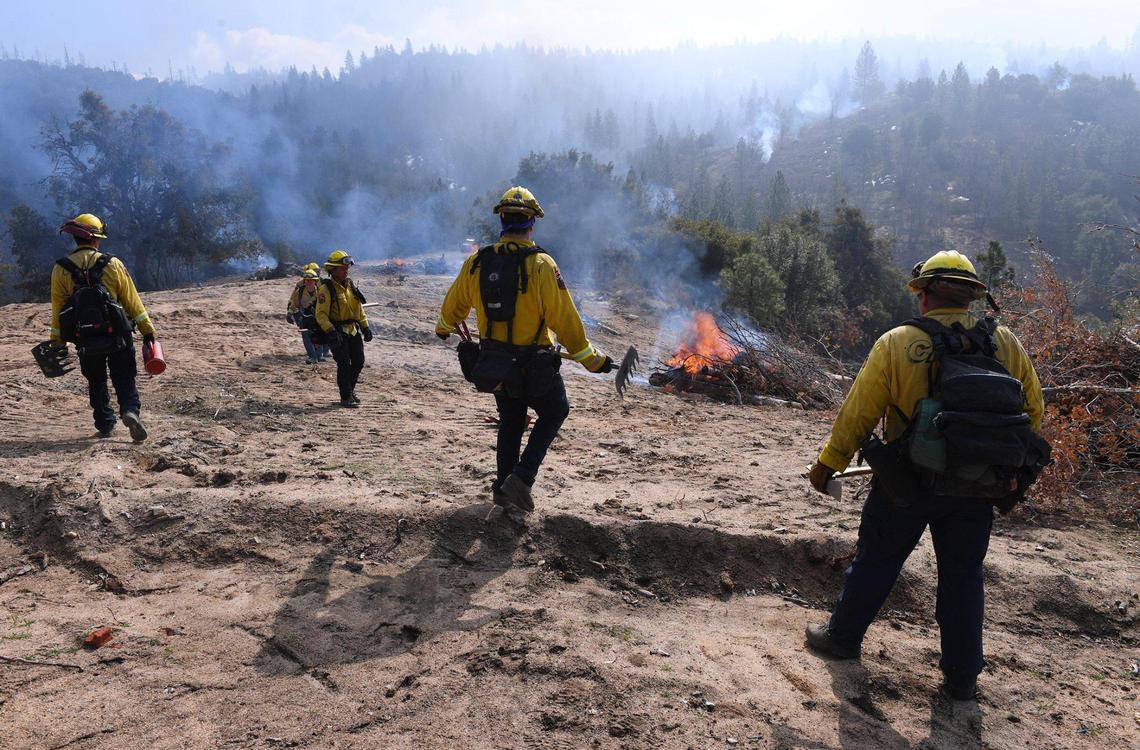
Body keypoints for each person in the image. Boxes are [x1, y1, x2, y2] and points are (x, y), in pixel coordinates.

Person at [804, 250, 1045, 701]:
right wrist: (1010, 469)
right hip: (976, 488)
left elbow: (859, 414)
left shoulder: (896, 343)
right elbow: (1034, 410)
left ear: (923, 296)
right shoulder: (1005, 344)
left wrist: (827, 466)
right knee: (962, 576)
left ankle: (842, 639)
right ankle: (961, 679)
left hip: (905, 483)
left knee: (878, 558)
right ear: (973, 299)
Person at [435, 186, 613, 514]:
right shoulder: (543, 265)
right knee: (555, 410)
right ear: (532, 222)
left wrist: (444, 327)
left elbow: (453, 306)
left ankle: (503, 489)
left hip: (495, 364)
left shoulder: (477, 262)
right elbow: (565, 320)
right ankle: (521, 478)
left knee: (511, 420)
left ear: (501, 220)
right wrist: (592, 360)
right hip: (534, 365)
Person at [50, 213, 156, 442]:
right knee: (124, 377)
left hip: (85, 339)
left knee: (96, 380)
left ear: (77, 240)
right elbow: (132, 301)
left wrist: (57, 342)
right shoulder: (113, 264)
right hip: (119, 334)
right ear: (96, 239)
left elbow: (58, 310)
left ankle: (105, 422)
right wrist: (147, 330)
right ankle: (129, 411)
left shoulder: (60, 269)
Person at [315, 250, 371, 407]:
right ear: (333, 270)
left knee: (359, 361)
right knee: (344, 364)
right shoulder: (326, 290)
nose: (346, 271)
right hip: (337, 332)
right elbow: (321, 315)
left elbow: (359, 309)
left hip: (353, 330)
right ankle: (345, 397)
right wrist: (331, 331)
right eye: (342, 268)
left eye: (346, 268)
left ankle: (350, 390)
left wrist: (365, 326)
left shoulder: (350, 285)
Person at [287, 268, 329, 363]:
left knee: (319, 335)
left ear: (315, 282)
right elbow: (294, 304)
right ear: (304, 282)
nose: (309, 283)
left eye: (311, 281)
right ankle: (312, 357)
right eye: (307, 281)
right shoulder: (300, 292)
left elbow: (326, 305)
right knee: (306, 336)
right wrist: (289, 314)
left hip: (317, 317)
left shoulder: (320, 292)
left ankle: (319, 355)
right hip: (304, 317)